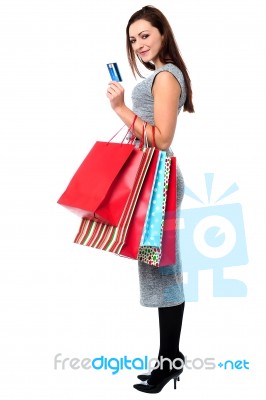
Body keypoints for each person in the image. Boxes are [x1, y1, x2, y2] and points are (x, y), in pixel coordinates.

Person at [106, 5, 194, 394]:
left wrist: (120, 107)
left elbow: (161, 139)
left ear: (162, 32)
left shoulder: (167, 76)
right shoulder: (160, 75)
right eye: (132, 39)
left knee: (163, 273)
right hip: (148, 181)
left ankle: (171, 361)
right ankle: (167, 359)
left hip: (159, 181)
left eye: (145, 35)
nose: (139, 44)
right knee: (157, 273)